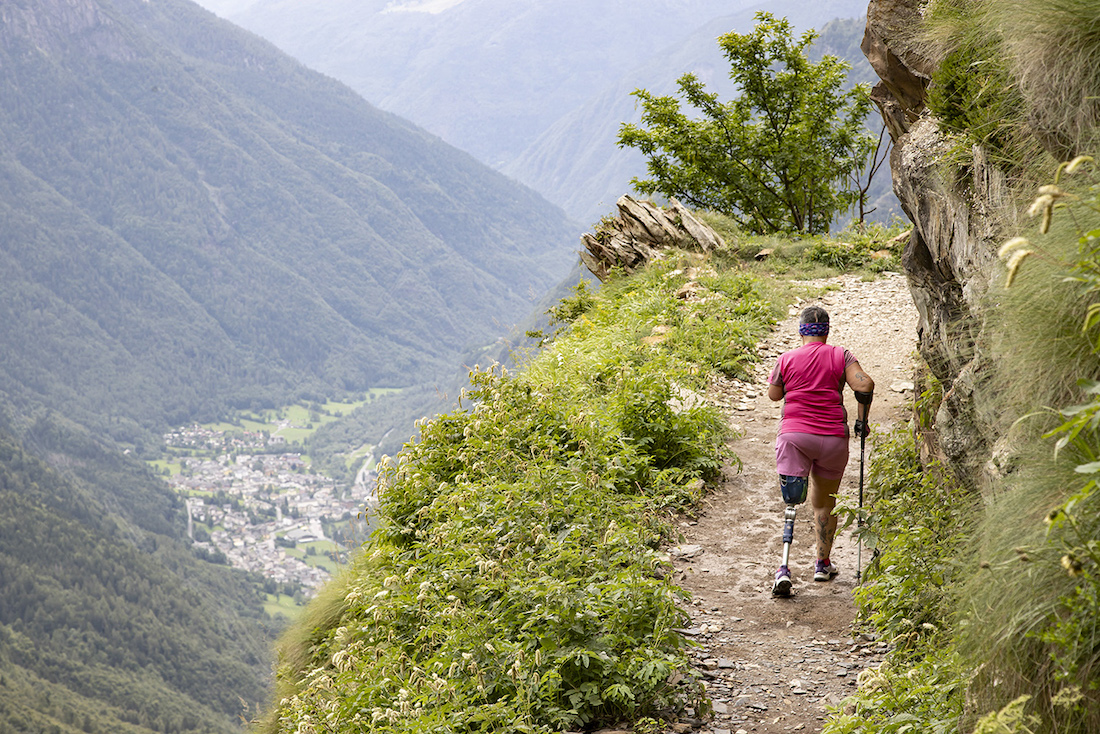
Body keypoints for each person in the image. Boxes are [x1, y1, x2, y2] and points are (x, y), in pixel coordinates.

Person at [767, 306, 873, 596]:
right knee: (824, 503)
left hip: (794, 437)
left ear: (801, 330)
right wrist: (862, 420)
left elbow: (774, 394)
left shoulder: (786, 358)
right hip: (832, 439)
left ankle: (784, 570)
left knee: (792, 501)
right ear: (826, 331)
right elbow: (864, 385)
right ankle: (822, 564)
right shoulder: (841, 355)